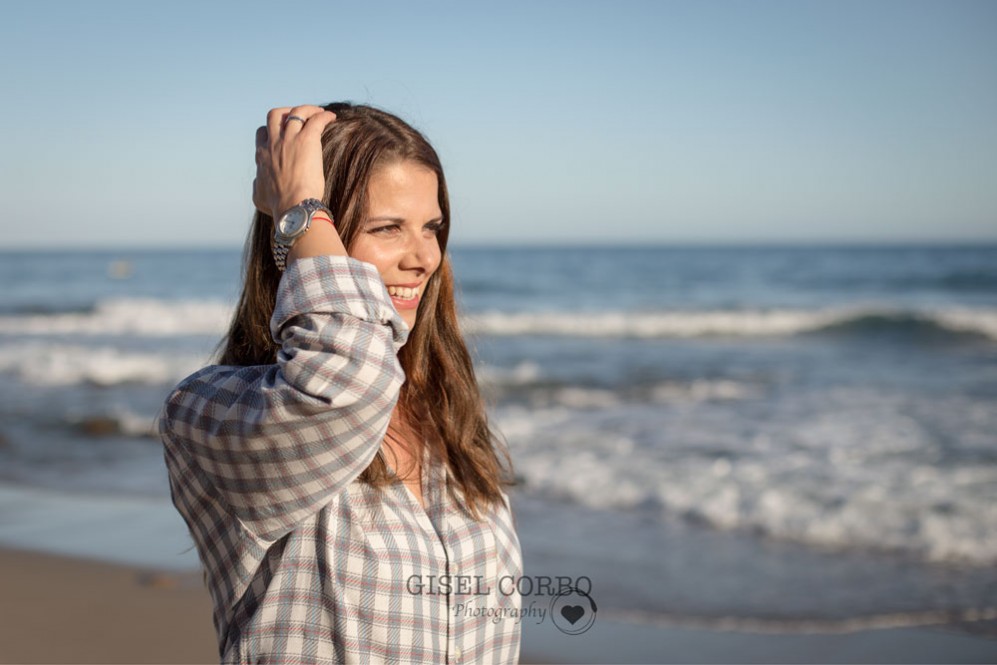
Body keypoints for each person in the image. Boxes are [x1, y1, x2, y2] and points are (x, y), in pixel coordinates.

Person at [159, 102, 523, 664]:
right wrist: (301, 207)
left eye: (432, 228)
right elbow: (345, 380)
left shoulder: (445, 419)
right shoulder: (213, 414)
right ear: (300, 243)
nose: (423, 257)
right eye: (386, 229)